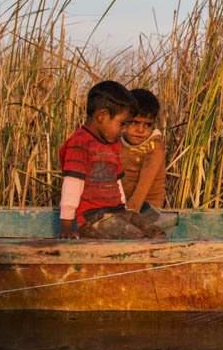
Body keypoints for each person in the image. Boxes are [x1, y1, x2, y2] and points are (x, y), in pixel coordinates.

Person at [57, 81, 165, 240]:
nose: (123, 130)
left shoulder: (112, 143)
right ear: (102, 116)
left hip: (117, 212)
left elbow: (117, 182)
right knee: (139, 238)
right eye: (122, 124)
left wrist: (124, 208)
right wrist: (66, 225)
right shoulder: (80, 143)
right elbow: (72, 184)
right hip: (94, 218)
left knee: (157, 234)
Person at [119, 88, 172, 228]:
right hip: (123, 203)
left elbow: (144, 185)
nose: (141, 130)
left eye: (147, 124)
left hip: (147, 205)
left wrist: (131, 211)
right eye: (135, 122)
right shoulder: (118, 140)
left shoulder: (154, 147)